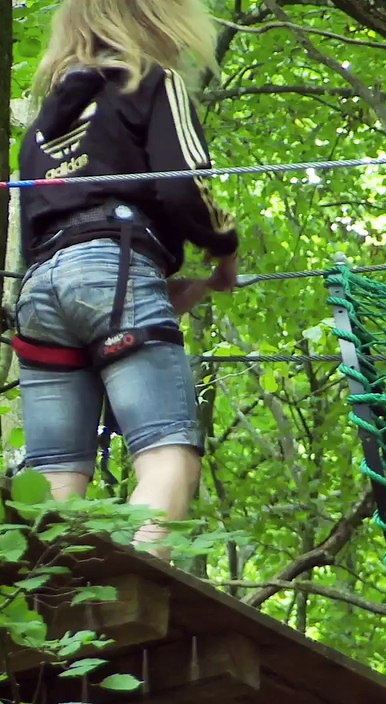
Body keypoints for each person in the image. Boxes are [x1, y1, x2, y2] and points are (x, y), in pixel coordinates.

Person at [13, 0, 240, 562]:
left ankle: (60, 618)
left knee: (54, 478)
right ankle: (128, 592)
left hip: (40, 291)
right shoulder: (153, 81)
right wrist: (224, 252)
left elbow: (43, 224)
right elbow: (183, 184)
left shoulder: (44, 125)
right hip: (112, 267)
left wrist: (151, 283)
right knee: (169, 453)